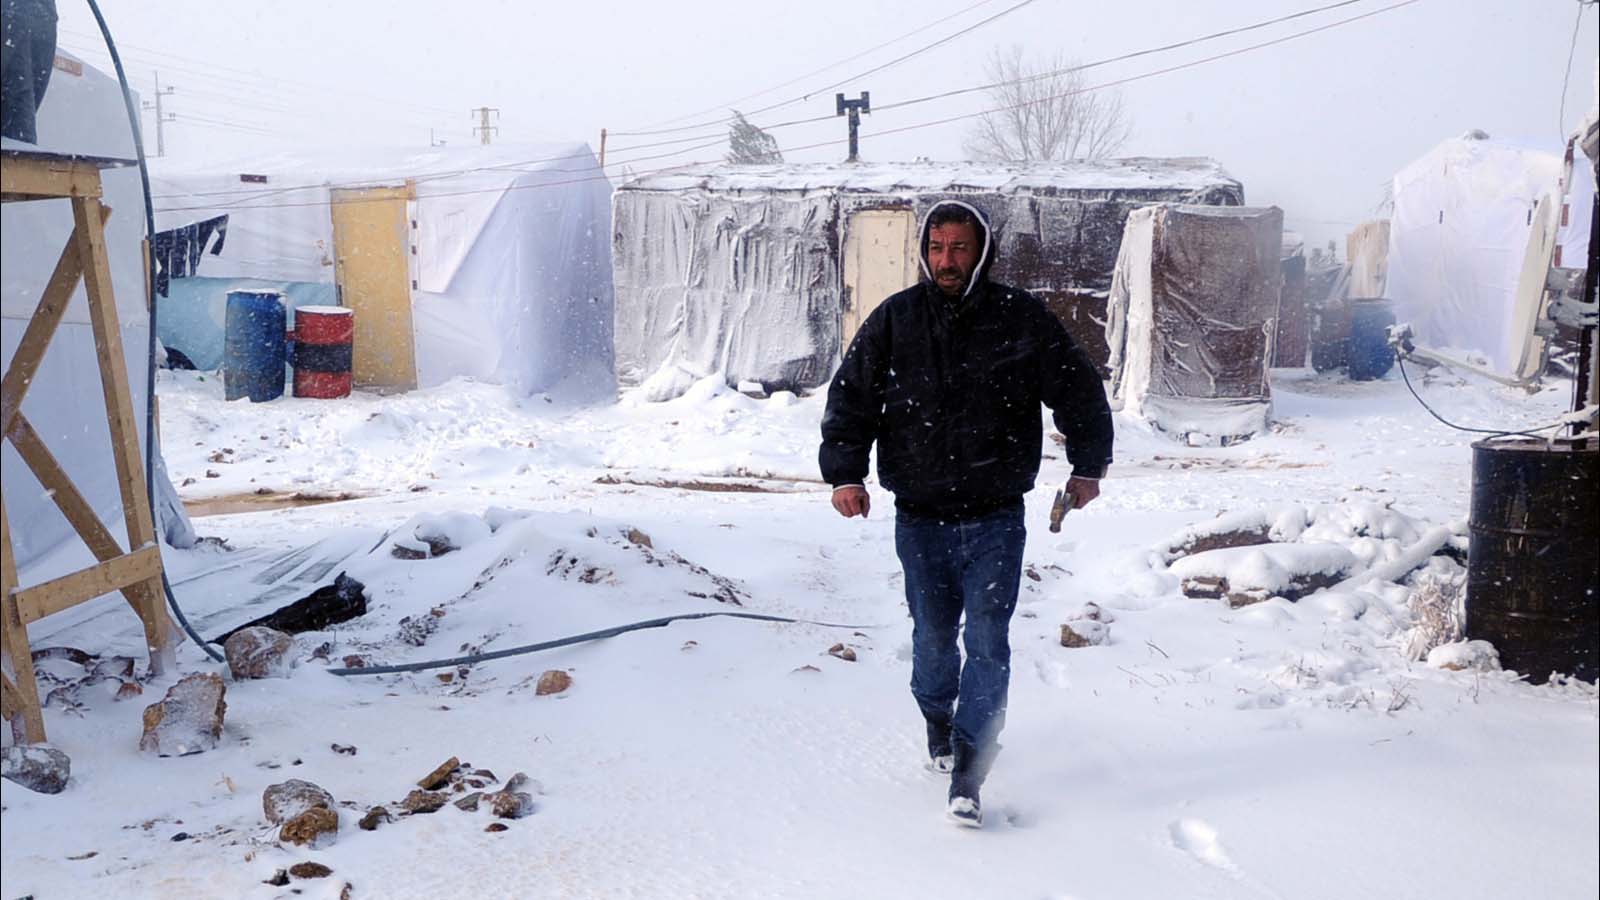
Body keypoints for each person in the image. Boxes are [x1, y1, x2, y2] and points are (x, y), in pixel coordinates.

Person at [819, 199, 1113, 827]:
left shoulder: (1020, 318)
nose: (946, 260)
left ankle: (971, 768)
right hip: (920, 516)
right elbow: (852, 397)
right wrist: (845, 472)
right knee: (932, 641)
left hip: (995, 516)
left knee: (986, 640)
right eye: (936, 247)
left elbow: (1077, 388)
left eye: (958, 247)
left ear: (981, 251)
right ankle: (939, 720)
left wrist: (1087, 465)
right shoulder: (897, 318)